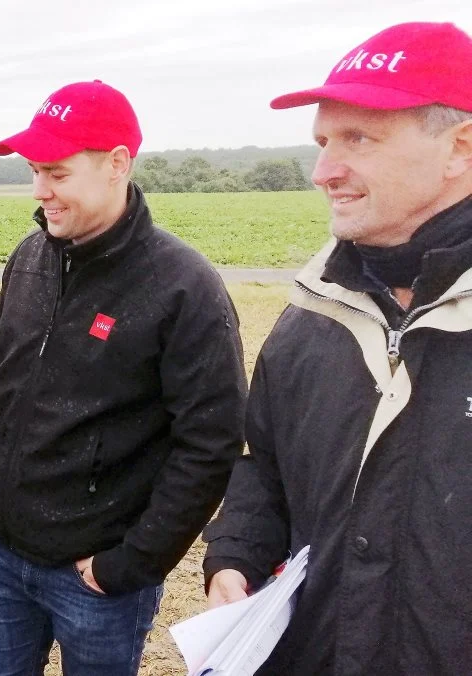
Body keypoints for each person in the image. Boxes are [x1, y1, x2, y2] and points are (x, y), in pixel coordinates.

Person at [0, 80, 247, 675]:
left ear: (117, 164)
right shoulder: (31, 256)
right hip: (2, 557)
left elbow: (210, 444)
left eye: (56, 173)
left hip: (99, 579)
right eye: (35, 171)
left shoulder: (182, 286)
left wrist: (132, 563)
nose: (40, 191)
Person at [202, 21, 472, 675]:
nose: (323, 172)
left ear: (460, 147)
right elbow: (264, 467)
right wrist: (234, 554)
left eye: (358, 139)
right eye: (323, 142)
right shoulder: (311, 317)